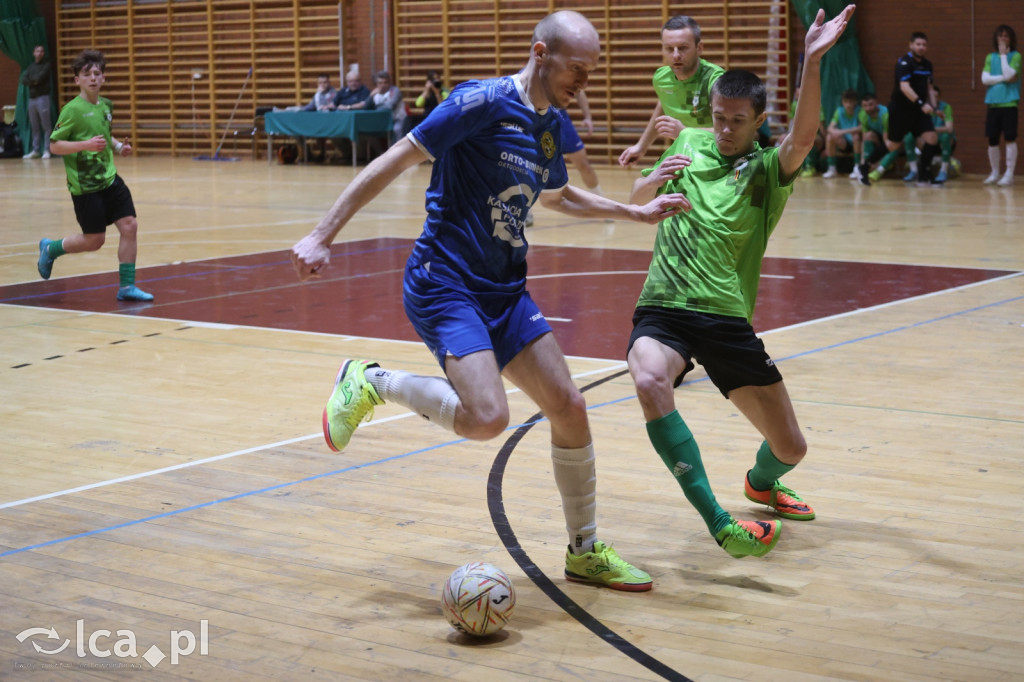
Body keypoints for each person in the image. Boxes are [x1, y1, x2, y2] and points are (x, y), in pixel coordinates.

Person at [291, 11, 689, 591]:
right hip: (445, 282)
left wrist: (632, 212)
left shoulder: (547, 125)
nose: (584, 82)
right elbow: (394, 159)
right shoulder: (477, 102)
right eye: (576, 69)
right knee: (488, 418)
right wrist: (322, 234)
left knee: (570, 408)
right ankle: (371, 381)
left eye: (591, 72)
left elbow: (555, 197)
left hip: (505, 289)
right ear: (540, 52)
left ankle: (584, 551)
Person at [624, 5, 855, 559]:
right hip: (664, 306)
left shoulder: (768, 171)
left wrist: (811, 62)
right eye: (718, 117)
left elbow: (803, 136)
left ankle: (760, 482)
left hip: (725, 317)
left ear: (756, 122)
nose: (723, 130)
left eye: (736, 121)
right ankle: (719, 522)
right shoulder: (688, 143)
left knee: (791, 447)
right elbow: (636, 200)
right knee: (650, 380)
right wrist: (646, 184)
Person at [37, 49, 153, 302]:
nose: (92, 78)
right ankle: (51, 248)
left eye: (97, 73)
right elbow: (55, 146)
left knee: (130, 225)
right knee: (94, 240)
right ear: (77, 80)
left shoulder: (106, 106)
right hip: (86, 186)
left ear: (103, 78)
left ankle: (126, 287)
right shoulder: (72, 110)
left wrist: (119, 147)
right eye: (86, 74)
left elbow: (103, 134)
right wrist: (85, 145)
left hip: (109, 179)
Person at [619, 15, 724, 167]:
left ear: (699, 48)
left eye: (683, 48)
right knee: (646, 184)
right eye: (669, 49)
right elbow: (663, 105)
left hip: (718, 155)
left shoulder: (716, 81)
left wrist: (685, 132)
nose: (675, 55)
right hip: (685, 154)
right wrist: (641, 146)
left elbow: (732, 130)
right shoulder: (661, 78)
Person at [859, 31, 941, 186]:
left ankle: (924, 175)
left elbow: (929, 88)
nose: (921, 47)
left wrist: (934, 107)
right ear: (911, 45)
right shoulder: (903, 63)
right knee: (893, 144)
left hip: (918, 110)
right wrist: (921, 104)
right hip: (901, 110)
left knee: (932, 138)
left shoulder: (928, 65)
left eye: (924, 44)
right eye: (918, 44)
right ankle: (865, 166)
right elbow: (904, 87)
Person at [528, 90, 605, 227]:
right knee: (528, 169)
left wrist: (587, 117)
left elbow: (579, 92)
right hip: (537, 124)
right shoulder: (525, 77)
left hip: (560, 119)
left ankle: (602, 205)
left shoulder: (559, 72)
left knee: (584, 165)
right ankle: (525, 212)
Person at [981, 24, 1019, 186]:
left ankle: (1009, 174)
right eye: (1000, 36)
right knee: (992, 139)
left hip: (1009, 103)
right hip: (993, 103)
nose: (1003, 38)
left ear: (1010, 39)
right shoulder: (990, 57)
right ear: (996, 38)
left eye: (1006, 36)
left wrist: (1004, 56)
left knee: (1010, 138)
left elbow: (1011, 75)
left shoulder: (1016, 56)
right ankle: (995, 172)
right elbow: (984, 79)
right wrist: (1002, 78)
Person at [904, 84, 957, 183]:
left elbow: (949, 128)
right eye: (932, 96)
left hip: (943, 140)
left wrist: (930, 130)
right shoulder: (923, 108)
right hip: (927, 140)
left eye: (937, 97)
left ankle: (943, 170)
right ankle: (914, 170)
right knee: (909, 137)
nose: (934, 99)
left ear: (940, 97)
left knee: (946, 136)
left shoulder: (946, 107)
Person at [857, 92, 899, 183]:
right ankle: (866, 167)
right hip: (878, 140)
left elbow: (886, 140)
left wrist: (879, 157)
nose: (868, 108)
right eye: (865, 105)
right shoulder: (862, 114)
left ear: (877, 103)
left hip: (890, 138)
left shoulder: (885, 114)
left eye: (870, 105)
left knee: (893, 145)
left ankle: (879, 171)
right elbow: (864, 139)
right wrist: (863, 162)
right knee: (868, 136)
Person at [20, 45, 53, 160]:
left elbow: (39, 78)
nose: (39, 53)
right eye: (37, 51)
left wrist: (33, 80)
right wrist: (33, 81)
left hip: (43, 98)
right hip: (31, 99)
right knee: (34, 126)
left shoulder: (46, 65)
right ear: (34, 53)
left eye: (42, 51)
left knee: (46, 126)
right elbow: (24, 80)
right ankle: (35, 150)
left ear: (43, 53)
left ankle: (47, 150)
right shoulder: (30, 66)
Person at [822, 88, 862, 179]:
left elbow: (861, 128)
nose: (848, 104)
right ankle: (832, 168)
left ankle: (857, 168)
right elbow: (830, 128)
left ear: (855, 102)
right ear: (842, 102)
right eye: (845, 101)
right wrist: (835, 132)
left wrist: (842, 132)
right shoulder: (839, 111)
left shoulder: (860, 111)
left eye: (851, 102)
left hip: (858, 143)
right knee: (829, 137)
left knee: (856, 136)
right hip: (845, 144)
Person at [401, 70, 448, 136]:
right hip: (426, 116)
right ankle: (405, 138)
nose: (436, 80)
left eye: (437, 78)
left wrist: (437, 93)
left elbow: (443, 108)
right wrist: (426, 90)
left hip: (438, 117)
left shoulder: (444, 93)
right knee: (409, 119)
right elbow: (418, 104)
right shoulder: (427, 93)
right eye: (433, 79)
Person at [367, 70, 407, 142]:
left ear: (389, 83)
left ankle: (397, 152)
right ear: (376, 84)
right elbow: (366, 107)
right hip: (381, 120)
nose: (382, 85)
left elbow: (390, 106)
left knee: (396, 129)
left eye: (385, 83)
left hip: (397, 119)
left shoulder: (395, 91)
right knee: (368, 131)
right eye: (380, 83)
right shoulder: (375, 93)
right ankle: (379, 152)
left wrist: (377, 108)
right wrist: (370, 97)